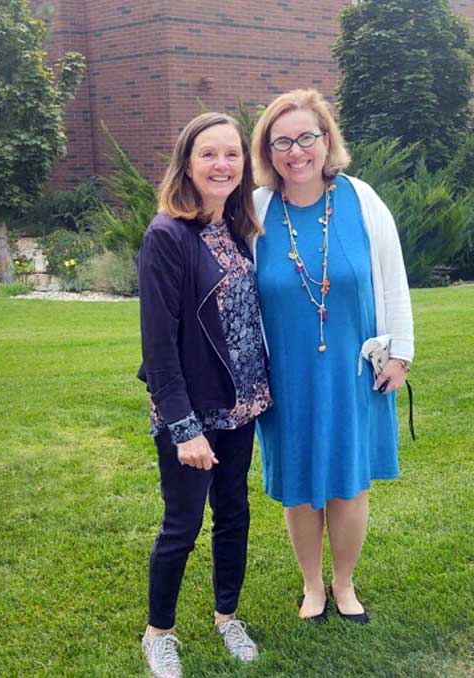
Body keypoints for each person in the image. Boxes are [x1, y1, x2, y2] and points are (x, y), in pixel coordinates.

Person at [250, 89, 414, 624]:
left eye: (306, 138)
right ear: (268, 151)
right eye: (282, 142)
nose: (296, 152)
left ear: (326, 141)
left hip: (351, 370)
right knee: (299, 485)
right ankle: (312, 586)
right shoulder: (255, 210)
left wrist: (401, 355)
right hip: (285, 374)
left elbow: (393, 280)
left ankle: (344, 585)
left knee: (348, 481)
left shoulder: (362, 199)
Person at [137, 112, 272, 678]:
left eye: (232, 155)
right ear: (187, 165)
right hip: (192, 411)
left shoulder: (238, 229)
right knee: (183, 522)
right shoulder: (167, 235)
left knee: (234, 513)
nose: (222, 165)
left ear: (244, 165)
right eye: (208, 154)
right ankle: (158, 633)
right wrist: (183, 427)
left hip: (243, 403)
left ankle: (226, 616)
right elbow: (159, 343)